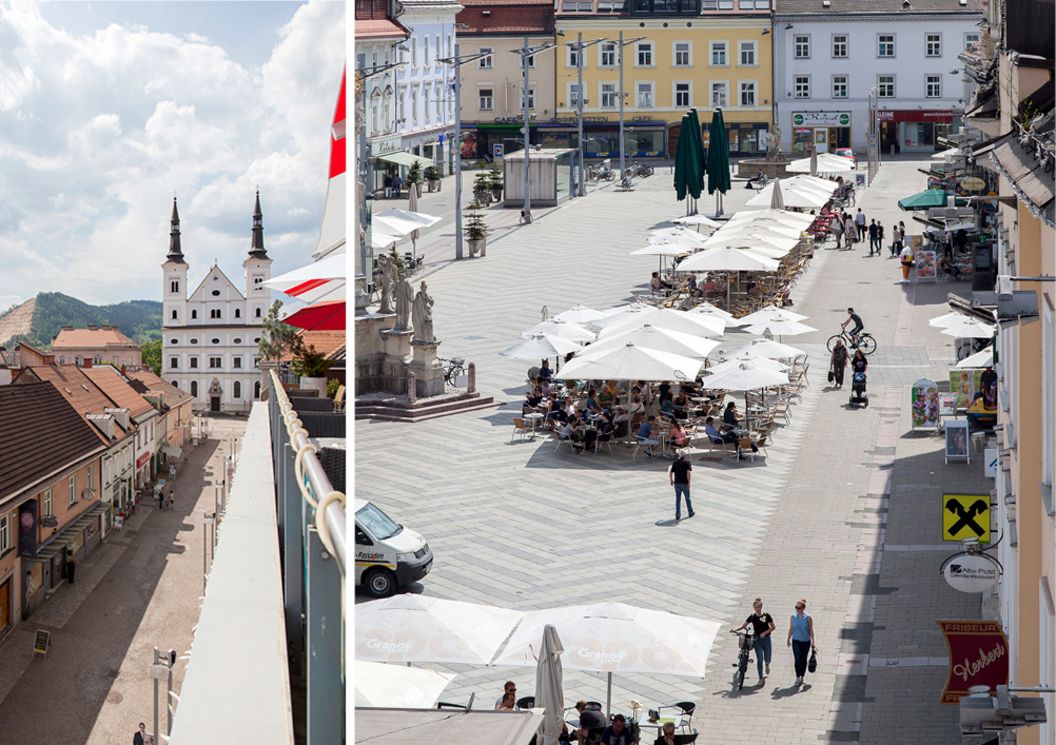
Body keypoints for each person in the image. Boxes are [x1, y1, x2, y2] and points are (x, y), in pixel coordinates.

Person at [730, 598, 777, 683]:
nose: (757, 609)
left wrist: (765, 633)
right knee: (759, 659)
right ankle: (760, 678)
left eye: (759, 607)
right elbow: (743, 625)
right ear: (753, 607)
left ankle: (767, 664)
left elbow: (773, 627)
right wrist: (735, 629)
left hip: (766, 639)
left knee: (767, 657)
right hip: (757, 640)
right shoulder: (752, 617)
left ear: (761, 607)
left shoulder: (766, 616)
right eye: (756, 607)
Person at [787, 598, 816, 686]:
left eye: (799, 608)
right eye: (796, 607)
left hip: (805, 641)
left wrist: (813, 641)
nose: (797, 609)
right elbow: (791, 628)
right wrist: (788, 639)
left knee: (803, 660)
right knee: (797, 660)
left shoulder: (808, 618)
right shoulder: (793, 617)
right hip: (796, 641)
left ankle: (802, 676)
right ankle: (797, 677)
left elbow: (811, 630)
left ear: (803, 608)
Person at [668, 449, 694, 520]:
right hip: (684, 483)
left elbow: (670, 472)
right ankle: (690, 512)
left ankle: (677, 514)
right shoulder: (687, 462)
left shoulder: (675, 462)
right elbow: (688, 473)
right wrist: (689, 482)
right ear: (685, 455)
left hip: (677, 484)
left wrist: (671, 480)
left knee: (678, 499)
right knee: (687, 498)